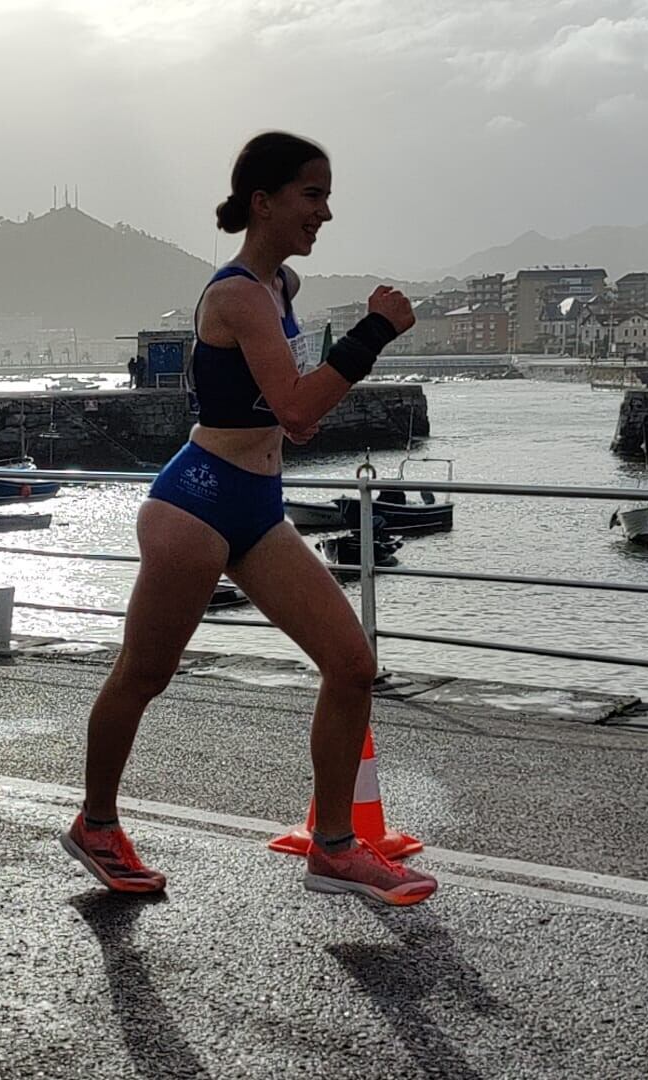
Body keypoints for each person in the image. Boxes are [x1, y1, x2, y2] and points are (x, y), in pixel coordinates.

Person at [60, 132, 434, 906]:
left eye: (327, 196)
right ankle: (96, 824)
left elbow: (286, 410)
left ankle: (334, 846)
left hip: (257, 505)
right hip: (194, 502)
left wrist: (319, 381)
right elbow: (297, 410)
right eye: (311, 195)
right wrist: (374, 333)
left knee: (352, 664)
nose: (324, 212)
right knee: (145, 674)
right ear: (262, 201)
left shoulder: (283, 286)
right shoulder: (232, 294)